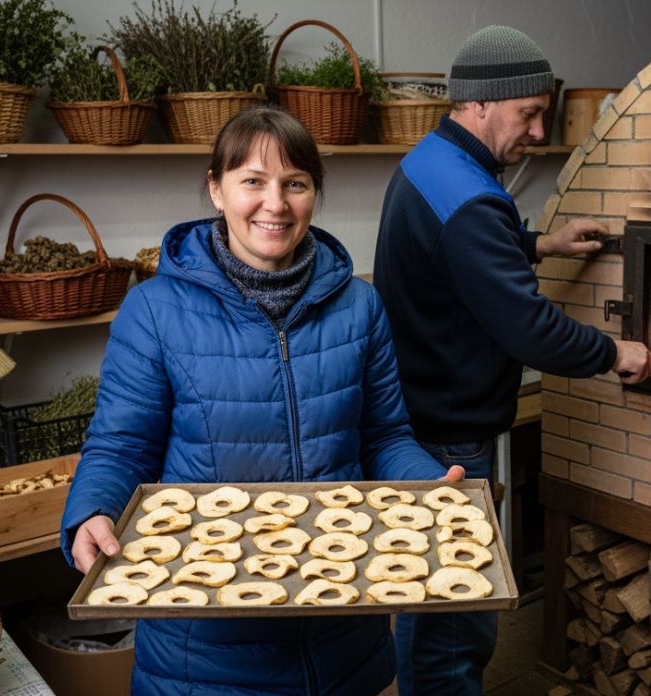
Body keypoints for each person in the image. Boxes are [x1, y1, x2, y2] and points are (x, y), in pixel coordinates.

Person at [60, 104, 457, 696]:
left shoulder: (358, 306)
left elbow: (382, 438)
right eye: (253, 181)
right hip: (206, 648)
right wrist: (91, 510)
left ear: (313, 194)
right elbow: (122, 445)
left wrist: (429, 488)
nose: (276, 204)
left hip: (343, 624)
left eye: (295, 183)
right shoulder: (154, 312)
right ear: (216, 189)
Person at [374, 25, 651, 696]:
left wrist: (540, 243)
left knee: (436, 597)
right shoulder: (473, 200)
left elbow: (459, 256)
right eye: (528, 114)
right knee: (454, 619)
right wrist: (614, 351)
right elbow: (530, 331)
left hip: (419, 415)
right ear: (480, 104)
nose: (538, 132)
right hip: (447, 432)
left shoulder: (432, 163)